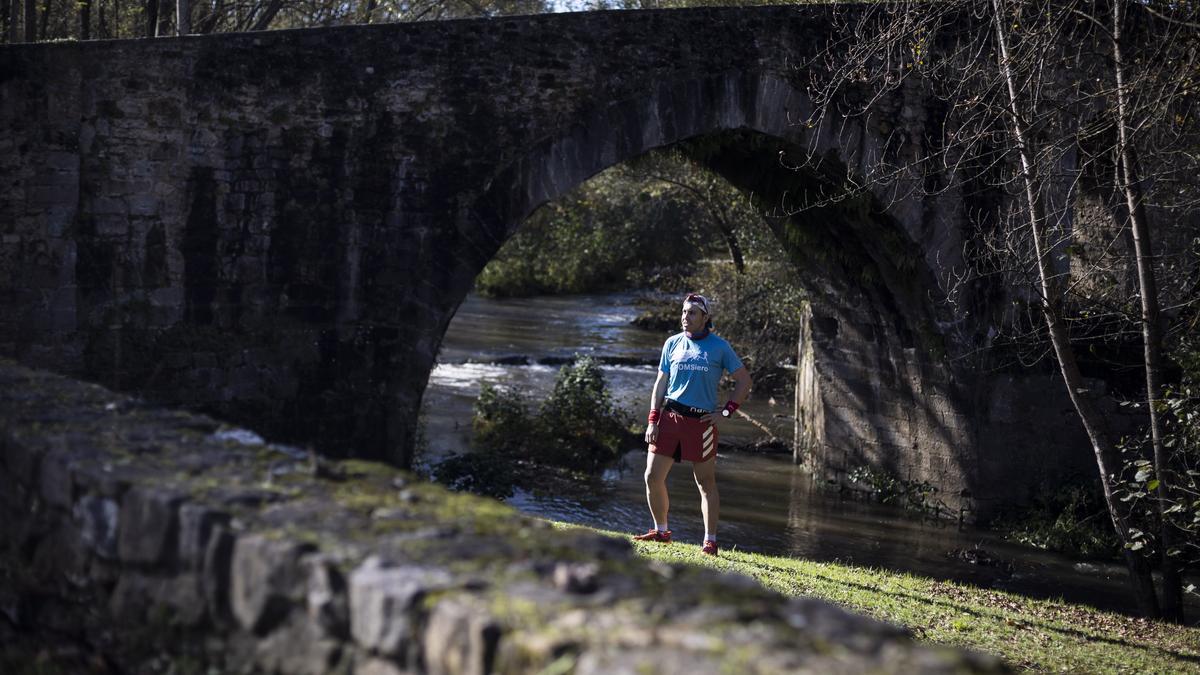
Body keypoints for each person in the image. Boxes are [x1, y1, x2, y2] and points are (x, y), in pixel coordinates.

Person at [633, 293, 751, 556]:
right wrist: (653, 419)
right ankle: (661, 532)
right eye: (684, 312)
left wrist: (727, 411)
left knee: (705, 482)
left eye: (692, 313)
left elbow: (744, 381)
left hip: (702, 423)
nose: (685, 317)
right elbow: (660, 384)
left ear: (705, 318)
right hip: (670, 417)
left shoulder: (720, 347)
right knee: (652, 477)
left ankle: (710, 541)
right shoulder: (672, 343)